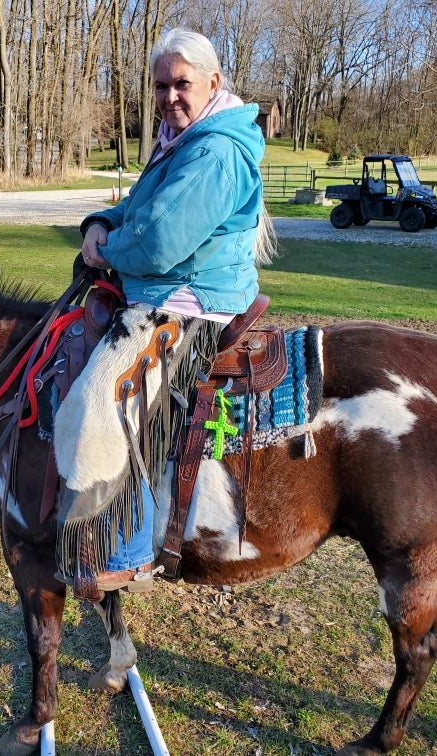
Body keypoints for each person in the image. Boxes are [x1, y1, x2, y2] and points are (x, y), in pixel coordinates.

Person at [52, 27, 275, 600]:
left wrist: (106, 250)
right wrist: (99, 221)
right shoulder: (185, 136)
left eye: (182, 83)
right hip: (165, 290)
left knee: (103, 400)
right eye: (161, 86)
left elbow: (158, 244)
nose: (170, 96)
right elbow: (142, 207)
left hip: (188, 301)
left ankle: (129, 553)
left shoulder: (216, 150)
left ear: (214, 82)